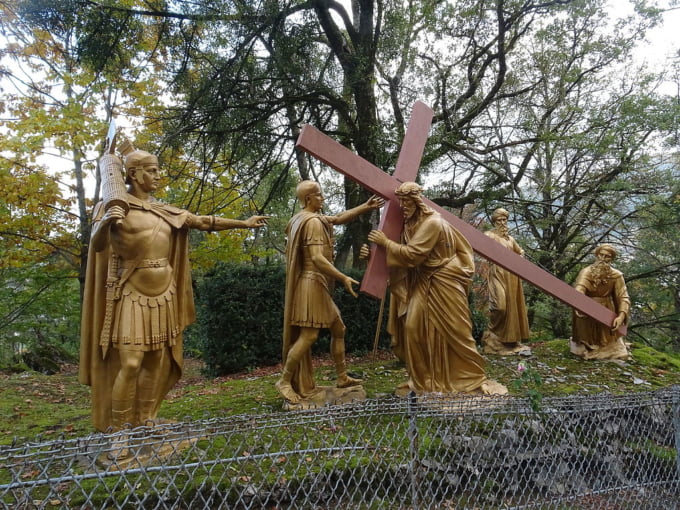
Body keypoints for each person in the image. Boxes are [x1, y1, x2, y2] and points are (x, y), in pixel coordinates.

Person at [79, 148, 268, 436]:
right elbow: (99, 247)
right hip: (132, 294)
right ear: (133, 174)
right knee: (130, 363)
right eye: (152, 170)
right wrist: (105, 222)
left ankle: (146, 419)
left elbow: (205, 222)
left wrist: (244, 223)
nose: (158, 175)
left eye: (157, 169)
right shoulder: (115, 206)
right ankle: (119, 433)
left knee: (157, 361)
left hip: (165, 293)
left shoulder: (165, 211)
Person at [365, 182, 506, 395]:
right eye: (401, 201)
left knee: (456, 331)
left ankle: (469, 377)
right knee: (413, 328)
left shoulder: (432, 223)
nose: (403, 206)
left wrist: (385, 243)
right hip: (424, 282)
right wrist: (374, 255)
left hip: (445, 281)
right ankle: (424, 382)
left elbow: (412, 255)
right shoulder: (409, 227)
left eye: (407, 201)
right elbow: (402, 261)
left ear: (417, 201)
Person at [276, 180, 384, 404]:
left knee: (338, 328)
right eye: (319, 195)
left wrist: (366, 206)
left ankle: (342, 377)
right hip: (312, 283)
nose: (322, 199)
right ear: (308, 199)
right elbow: (317, 259)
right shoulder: (312, 223)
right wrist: (343, 277)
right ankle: (284, 381)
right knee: (309, 336)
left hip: (316, 284)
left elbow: (338, 218)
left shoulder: (304, 219)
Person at [481, 208, 531, 355]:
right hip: (497, 273)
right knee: (500, 306)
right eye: (499, 220)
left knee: (512, 307)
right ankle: (493, 335)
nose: (502, 223)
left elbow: (520, 251)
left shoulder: (510, 239)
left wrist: (520, 256)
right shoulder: (489, 235)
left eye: (504, 220)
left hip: (512, 277)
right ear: (494, 222)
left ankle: (511, 341)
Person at [571, 244, 630, 360]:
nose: (603, 259)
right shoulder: (586, 272)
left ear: (611, 259)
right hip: (587, 309)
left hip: (607, 309)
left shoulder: (616, 275)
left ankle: (609, 347)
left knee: (608, 335)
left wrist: (621, 316)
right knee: (586, 335)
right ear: (597, 255)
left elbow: (623, 296)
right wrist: (579, 305)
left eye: (607, 256)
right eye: (601, 255)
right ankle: (586, 345)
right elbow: (579, 289)